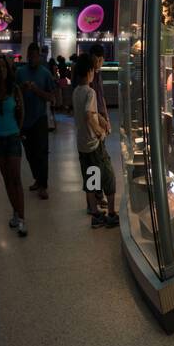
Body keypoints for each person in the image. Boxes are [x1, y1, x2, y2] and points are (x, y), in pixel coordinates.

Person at [73, 54, 118, 228]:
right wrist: (100, 132)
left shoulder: (77, 91)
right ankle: (112, 213)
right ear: (90, 71)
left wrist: (101, 118)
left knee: (91, 177)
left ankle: (95, 213)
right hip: (93, 144)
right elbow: (88, 115)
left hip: (82, 144)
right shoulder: (90, 91)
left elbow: (90, 112)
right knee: (109, 176)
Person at [0, 55, 26, 235]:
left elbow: (21, 111)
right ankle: (16, 212)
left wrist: (17, 130)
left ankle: (22, 218)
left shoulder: (14, 89)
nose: (1, 70)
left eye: (3, 67)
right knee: (7, 179)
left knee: (16, 178)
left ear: (7, 70)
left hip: (12, 137)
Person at [15, 42, 57, 200]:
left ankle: (43, 185)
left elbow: (52, 98)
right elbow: (14, 93)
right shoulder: (20, 72)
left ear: (39, 57)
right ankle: (37, 180)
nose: (31, 59)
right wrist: (22, 89)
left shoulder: (45, 74)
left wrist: (36, 90)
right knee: (29, 153)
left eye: (34, 56)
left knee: (42, 153)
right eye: (29, 56)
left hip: (40, 119)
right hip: (24, 120)